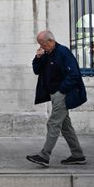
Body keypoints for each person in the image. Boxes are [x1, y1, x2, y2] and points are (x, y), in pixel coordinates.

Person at [26, 30, 87, 168]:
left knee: (53, 123)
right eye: (39, 44)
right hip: (54, 94)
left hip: (62, 94)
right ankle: (78, 155)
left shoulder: (63, 52)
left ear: (51, 41)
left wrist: (61, 90)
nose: (41, 46)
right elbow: (37, 70)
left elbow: (74, 74)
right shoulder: (46, 53)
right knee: (65, 126)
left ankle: (44, 156)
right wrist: (38, 57)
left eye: (42, 44)